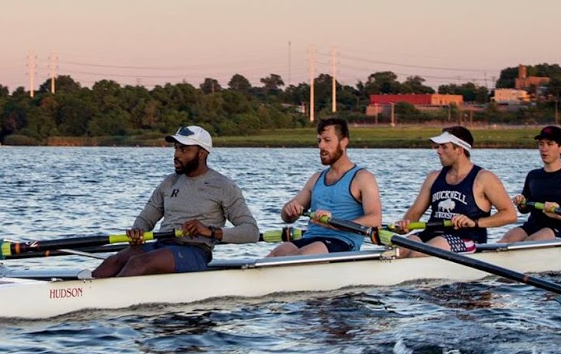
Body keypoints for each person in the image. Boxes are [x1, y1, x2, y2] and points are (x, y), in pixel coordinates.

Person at [92, 125, 260, 278]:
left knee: (138, 263)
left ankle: (111, 296)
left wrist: (210, 231)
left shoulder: (224, 186)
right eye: (176, 148)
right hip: (162, 245)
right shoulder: (170, 182)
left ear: (202, 153)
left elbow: (251, 231)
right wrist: (138, 230)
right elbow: (147, 217)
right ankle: (88, 292)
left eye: (184, 150)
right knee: (112, 261)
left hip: (194, 251)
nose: (176, 155)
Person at [392, 125, 516, 255]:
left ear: (459, 149)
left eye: (444, 147)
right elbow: (415, 213)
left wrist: (475, 223)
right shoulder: (433, 177)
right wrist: (404, 226)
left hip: (467, 238)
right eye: (438, 147)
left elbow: (510, 214)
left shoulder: (484, 178)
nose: (438, 151)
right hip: (432, 234)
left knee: (419, 253)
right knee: (400, 250)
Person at [269, 117, 382, 256]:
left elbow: (375, 220)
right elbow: (286, 217)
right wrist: (289, 210)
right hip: (311, 238)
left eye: (327, 140)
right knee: (278, 253)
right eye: (319, 141)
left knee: (302, 255)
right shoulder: (316, 178)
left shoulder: (363, 178)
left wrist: (333, 223)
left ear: (343, 142)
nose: (321, 146)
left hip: (342, 242)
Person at [501, 125, 561, 242]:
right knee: (506, 240)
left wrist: (560, 211)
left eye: (549, 144)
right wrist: (522, 204)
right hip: (532, 225)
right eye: (541, 144)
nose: (544, 149)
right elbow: (525, 208)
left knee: (532, 241)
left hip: (560, 228)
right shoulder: (533, 175)